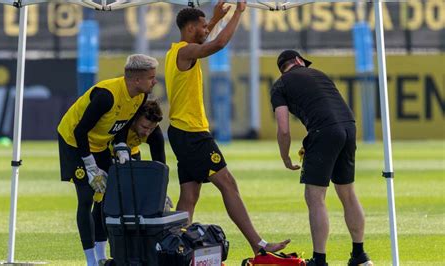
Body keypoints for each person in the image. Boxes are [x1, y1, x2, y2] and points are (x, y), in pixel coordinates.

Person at [164, 1, 290, 254]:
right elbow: (218, 44)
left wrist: (215, 17)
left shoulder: (176, 51)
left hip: (182, 132)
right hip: (192, 133)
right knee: (228, 184)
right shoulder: (185, 51)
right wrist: (238, 14)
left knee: (189, 196)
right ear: (190, 29)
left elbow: (204, 36)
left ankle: (173, 249)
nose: (206, 29)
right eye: (201, 27)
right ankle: (259, 245)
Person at [270, 50, 373, 266]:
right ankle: (360, 255)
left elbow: (283, 129)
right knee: (348, 193)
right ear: (299, 61)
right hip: (348, 127)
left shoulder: (280, 85)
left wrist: (285, 158)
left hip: (323, 131)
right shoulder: (320, 74)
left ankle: (319, 259)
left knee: (315, 197)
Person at [57, 54, 158, 266]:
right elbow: (80, 130)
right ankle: (90, 261)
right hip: (74, 143)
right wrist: (91, 166)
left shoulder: (139, 97)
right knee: (86, 197)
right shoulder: (106, 96)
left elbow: (121, 126)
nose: (155, 81)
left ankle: (102, 256)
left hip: (100, 144)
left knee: (105, 200)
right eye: (151, 77)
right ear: (136, 80)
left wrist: (121, 148)